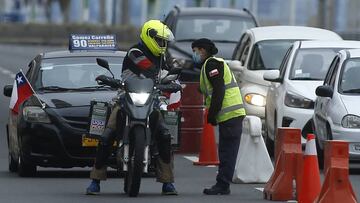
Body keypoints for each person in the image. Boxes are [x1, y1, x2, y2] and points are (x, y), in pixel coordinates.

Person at [86, 20, 178, 195]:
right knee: (107, 135)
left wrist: (175, 76)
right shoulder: (136, 52)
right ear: (149, 36)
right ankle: (95, 180)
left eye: (164, 42)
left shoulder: (163, 56)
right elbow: (149, 70)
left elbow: (172, 69)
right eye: (159, 41)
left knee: (165, 135)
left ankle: (167, 182)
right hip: (125, 97)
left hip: (151, 100)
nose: (162, 45)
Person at [192, 38, 246, 195]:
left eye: (195, 51)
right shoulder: (209, 65)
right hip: (231, 114)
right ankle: (223, 184)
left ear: (202, 50)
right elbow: (207, 88)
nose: (194, 54)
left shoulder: (212, 64)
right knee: (226, 150)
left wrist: (212, 114)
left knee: (227, 151)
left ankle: (222, 185)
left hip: (229, 113)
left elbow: (219, 89)